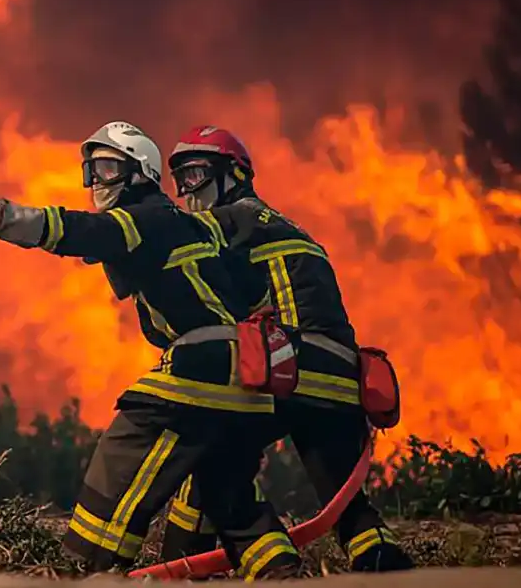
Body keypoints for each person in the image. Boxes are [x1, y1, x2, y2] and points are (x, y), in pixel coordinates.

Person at [0, 121, 302, 579]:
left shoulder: (144, 216)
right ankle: (280, 570)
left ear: (140, 173)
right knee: (226, 492)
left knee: (121, 453)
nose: (96, 182)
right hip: (248, 381)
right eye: (91, 170)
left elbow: (77, 231)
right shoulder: (192, 226)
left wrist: (1, 217)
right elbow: (253, 293)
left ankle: (90, 568)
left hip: (203, 365)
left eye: (109, 168)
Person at [160, 125, 414, 573]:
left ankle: (259, 560)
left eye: (196, 175)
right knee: (343, 495)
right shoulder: (284, 224)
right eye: (180, 181)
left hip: (291, 370)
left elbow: (175, 252)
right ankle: (381, 560)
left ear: (234, 175)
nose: (186, 191)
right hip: (339, 376)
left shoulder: (225, 222)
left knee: (211, 456)